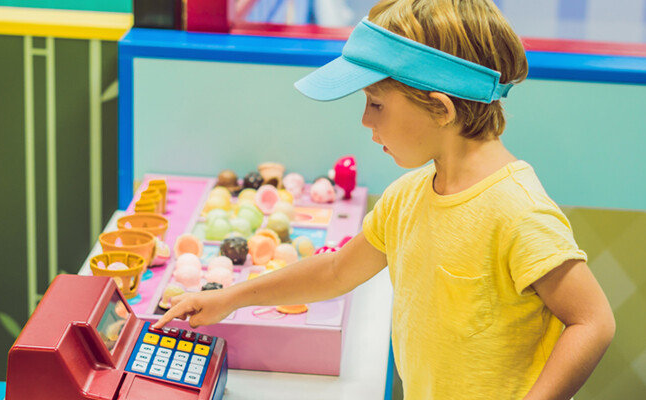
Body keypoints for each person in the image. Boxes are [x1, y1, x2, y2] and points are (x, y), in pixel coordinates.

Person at [154, 0, 616, 398]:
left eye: (376, 103)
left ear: (442, 107)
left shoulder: (518, 212)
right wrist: (229, 298)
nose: (364, 121)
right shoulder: (408, 196)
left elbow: (592, 322)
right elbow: (336, 270)